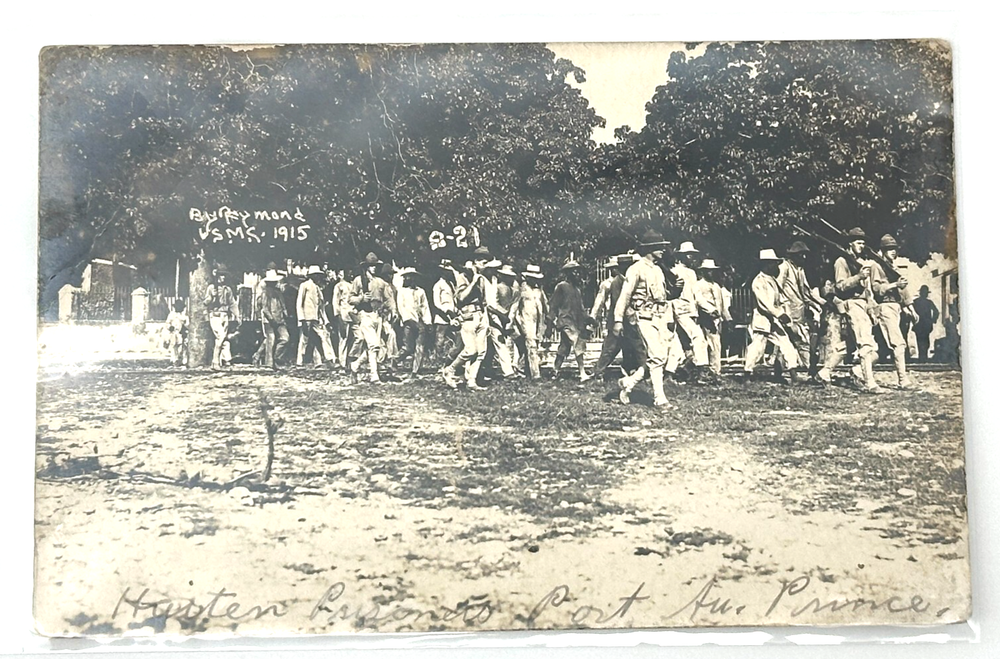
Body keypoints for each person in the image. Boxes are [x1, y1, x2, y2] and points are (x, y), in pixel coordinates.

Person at [613, 230, 676, 407]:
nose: (663, 251)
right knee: (656, 357)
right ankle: (659, 398)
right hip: (643, 317)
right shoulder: (636, 269)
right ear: (650, 249)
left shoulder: (658, 270)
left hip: (660, 317)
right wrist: (618, 320)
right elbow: (625, 296)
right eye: (659, 247)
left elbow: (663, 297)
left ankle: (629, 382)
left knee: (659, 357)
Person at [834, 227, 881, 393]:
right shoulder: (842, 261)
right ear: (850, 243)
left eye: (863, 243)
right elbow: (840, 286)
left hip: (863, 305)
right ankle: (870, 383)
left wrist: (872, 308)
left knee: (872, 350)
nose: (862, 246)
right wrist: (858, 277)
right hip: (852, 304)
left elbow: (868, 289)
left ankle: (827, 373)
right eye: (858, 243)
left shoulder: (862, 262)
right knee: (866, 345)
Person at [743, 249, 800, 381]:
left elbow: (779, 300)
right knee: (757, 347)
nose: (774, 266)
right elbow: (764, 303)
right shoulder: (758, 281)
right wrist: (779, 314)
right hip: (762, 319)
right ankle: (747, 372)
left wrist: (784, 313)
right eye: (771, 263)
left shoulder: (773, 280)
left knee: (786, 344)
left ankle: (793, 372)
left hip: (774, 320)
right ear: (764, 264)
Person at [441, 247, 491, 389]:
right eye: (483, 262)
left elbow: (484, 301)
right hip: (468, 315)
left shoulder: (482, 278)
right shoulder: (463, 276)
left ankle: (471, 381)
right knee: (470, 350)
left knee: (481, 352)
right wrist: (474, 281)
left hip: (480, 315)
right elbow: (461, 297)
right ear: (475, 261)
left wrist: (485, 318)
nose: (485, 265)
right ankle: (449, 370)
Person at [871, 234, 916, 389]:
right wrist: (894, 285)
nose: (892, 251)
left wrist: (910, 307)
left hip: (896, 307)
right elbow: (877, 289)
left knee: (883, 349)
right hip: (885, 307)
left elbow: (902, 292)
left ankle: (858, 371)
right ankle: (903, 381)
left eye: (894, 249)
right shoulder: (877, 266)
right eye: (888, 249)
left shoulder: (892, 267)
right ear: (882, 251)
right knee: (899, 344)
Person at [776, 241, 824, 379]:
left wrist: (818, 303)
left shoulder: (800, 270)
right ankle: (807, 370)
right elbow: (778, 288)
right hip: (787, 311)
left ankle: (787, 370)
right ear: (794, 255)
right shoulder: (784, 267)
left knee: (794, 342)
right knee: (793, 341)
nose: (804, 258)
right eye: (801, 255)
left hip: (799, 312)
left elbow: (805, 292)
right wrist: (781, 309)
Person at [348, 253, 396, 384]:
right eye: (371, 266)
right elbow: (350, 299)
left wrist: (392, 311)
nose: (373, 268)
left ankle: (355, 365)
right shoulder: (359, 281)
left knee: (375, 347)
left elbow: (388, 299)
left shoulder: (380, 282)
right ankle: (374, 376)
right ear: (366, 267)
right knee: (374, 346)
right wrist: (361, 299)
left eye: (375, 266)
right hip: (365, 315)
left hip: (378, 316)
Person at [590, 254, 639, 379]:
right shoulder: (617, 282)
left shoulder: (627, 280)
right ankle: (598, 371)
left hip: (626, 320)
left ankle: (630, 370)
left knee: (629, 346)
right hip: (618, 319)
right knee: (610, 347)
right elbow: (619, 302)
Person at [671, 241, 713, 383]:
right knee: (698, 337)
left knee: (684, 345)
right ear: (681, 256)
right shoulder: (674, 271)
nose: (692, 257)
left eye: (693, 255)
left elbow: (697, 295)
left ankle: (682, 373)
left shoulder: (692, 273)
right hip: (679, 309)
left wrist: (710, 309)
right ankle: (702, 371)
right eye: (688, 254)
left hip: (691, 311)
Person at [547, 258, 592, 382]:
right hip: (565, 321)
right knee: (578, 342)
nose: (577, 274)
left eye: (578, 271)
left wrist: (588, 319)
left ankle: (555, 369)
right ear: (567, 273)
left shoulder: (577, 289)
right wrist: (550, 323)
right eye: (574, 272)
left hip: (576, 322)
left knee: (564, 347)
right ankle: (582, 372)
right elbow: (553, 305)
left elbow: (581, 309)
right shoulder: (561, 287)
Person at [694, 259, 730, 376]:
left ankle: (715, 370)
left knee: (716, 344)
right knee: (707, 343)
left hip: (716, 318)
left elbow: (721, 304)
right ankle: (709, 370)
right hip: (705, 317)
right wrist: (710, 311)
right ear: (703, 272)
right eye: (708, 271)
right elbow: (699, 300)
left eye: (712, 271)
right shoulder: (699, 285)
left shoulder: (716, 286)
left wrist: (726, 318)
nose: (711, 273)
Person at [512, 264, 548, 380]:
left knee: (532, 345)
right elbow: (515, 305)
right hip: (525, 319)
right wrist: (511, 321)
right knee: (531, 344)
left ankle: (521, 368)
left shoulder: (539, 291)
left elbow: (545, 305)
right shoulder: (521, 289)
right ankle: (535, 373)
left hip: (537, 320)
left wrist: (548, 319)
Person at [295, 265, 336, 368]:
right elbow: (299, 303)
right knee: (304, 339)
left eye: (318, 275)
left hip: (316, 318)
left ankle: (327, 359)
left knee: (323, 336)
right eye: (316, 275)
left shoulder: (317, 288)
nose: (317, 277)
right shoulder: (304, 285)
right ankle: (299, 361)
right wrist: (301, 319)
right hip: (306, 317)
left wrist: (326, 321)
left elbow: (321, 306)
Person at [483, 260, 517, 380]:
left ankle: (487, 370)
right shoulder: (494, 285)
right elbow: (491, 305)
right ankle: (508, 371)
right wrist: (502, 316)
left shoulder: (510, 288)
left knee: (491, 346)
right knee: (499, 343)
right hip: (492, 317)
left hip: (501, 318)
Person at [395, 268, 432, 376]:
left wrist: (428, 322)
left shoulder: (420, 291)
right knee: (408, 347)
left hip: (419, 322)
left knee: (420, 346)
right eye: (407, 277)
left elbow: (425, 307)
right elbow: (401, 307)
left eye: (412, 276)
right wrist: (407, 320)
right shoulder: (402, 292)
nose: (410, 279)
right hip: (408, 322)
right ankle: (395, 360)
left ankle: (415, 370)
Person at [205, 268, 239, 370]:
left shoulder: (227, 289)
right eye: (221, 275)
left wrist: (237, 315)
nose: (223, 277)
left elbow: (232, 303)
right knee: (220, 337)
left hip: (225, 316)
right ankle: (215, 361)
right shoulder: (211, 288)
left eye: (224, 275)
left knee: (222, 339)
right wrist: (211, 298)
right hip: (215, 315)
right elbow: (205, 302)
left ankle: (221, 362)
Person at [257, 269, 289, 369]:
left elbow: (282, 305)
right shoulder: (265, 293)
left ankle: (276, 357)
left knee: (285, 338)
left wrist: (285, 313)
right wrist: (271, 319)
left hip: (280, 319)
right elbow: (265, 309)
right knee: (270, 340)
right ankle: (269, 363)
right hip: (269, 320)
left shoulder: (278, 292)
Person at [331, 268, 355, 370]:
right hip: (343, 314)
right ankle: (342, 362)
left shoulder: (354, 284)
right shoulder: (339, 286)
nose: (350, 274)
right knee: (343, 338)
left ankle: (351, 360)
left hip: (353, 314)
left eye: (352, 272)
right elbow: (335, 301)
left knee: (356, 338)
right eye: (348, 272)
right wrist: (338, 315)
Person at [912, 284, 939, 362]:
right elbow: (936, 312)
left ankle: (922, 357)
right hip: (925, 324)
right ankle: (923, 357)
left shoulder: (916, 302)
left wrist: (913, 320)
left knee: (920, 340)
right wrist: (933, 320)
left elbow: (936, 312)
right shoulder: (928, 302)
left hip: (919, 324)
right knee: (925, 340)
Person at [164, 298, 190, 367]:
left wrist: (185, 327)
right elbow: (167, 323)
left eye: (180, 307)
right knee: (173, 346)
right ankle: (174, 360)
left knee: (183, 347)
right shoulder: (172, 314)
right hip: (174, 333)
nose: (178, 308)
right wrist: (170, 327)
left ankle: (184, 361)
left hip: (182, 333)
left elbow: (188, 324)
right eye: (177, 307)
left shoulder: (184, 315)